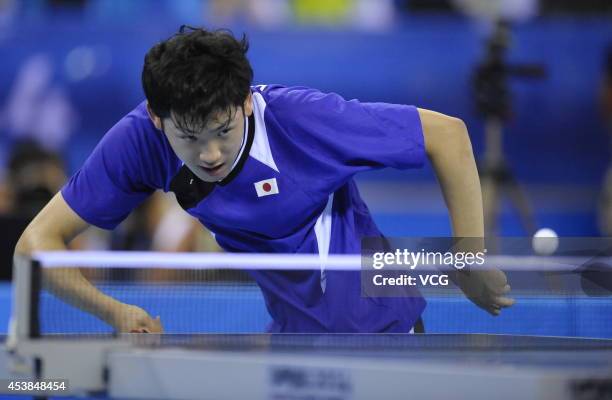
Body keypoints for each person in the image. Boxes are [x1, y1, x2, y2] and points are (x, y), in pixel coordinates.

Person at [15, 26, 514, 333]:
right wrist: (112, 311)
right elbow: (34, 245)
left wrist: (469, 257)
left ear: (247, 100)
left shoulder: (302, 120)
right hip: (291, 350)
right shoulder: (139, 142)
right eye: (189, 137)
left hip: (384, 337)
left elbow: (448, 135)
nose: (210, 154)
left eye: (224, 130)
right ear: (156, 117)